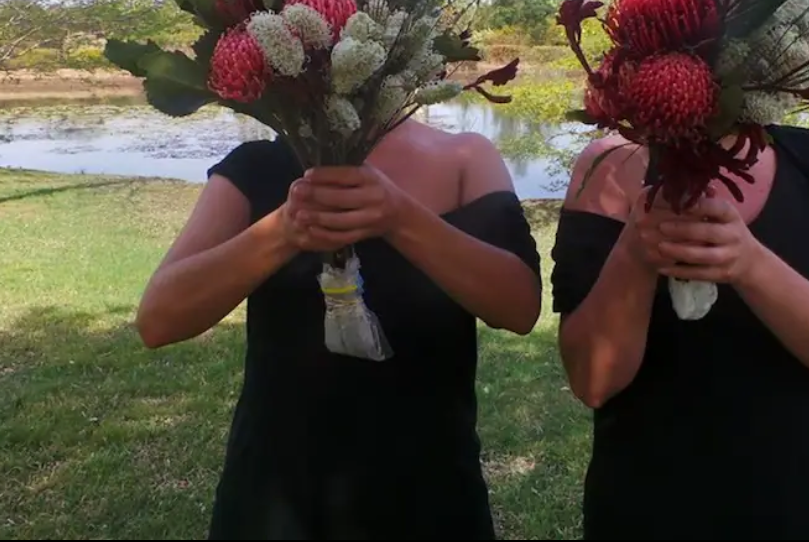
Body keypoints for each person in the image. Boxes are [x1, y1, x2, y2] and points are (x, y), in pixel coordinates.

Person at [551, 0, 809, 540]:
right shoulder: (605, 168)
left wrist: (748, 263)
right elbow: (591, 379)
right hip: (647, 508)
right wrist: (637, 249)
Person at [135, 118, 542, 540]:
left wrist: (400, 217)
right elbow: (159, 318)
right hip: (276, 497)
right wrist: (284, 231)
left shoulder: (465, 157)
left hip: (429, 494)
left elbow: (519, 306)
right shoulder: (258, 164)